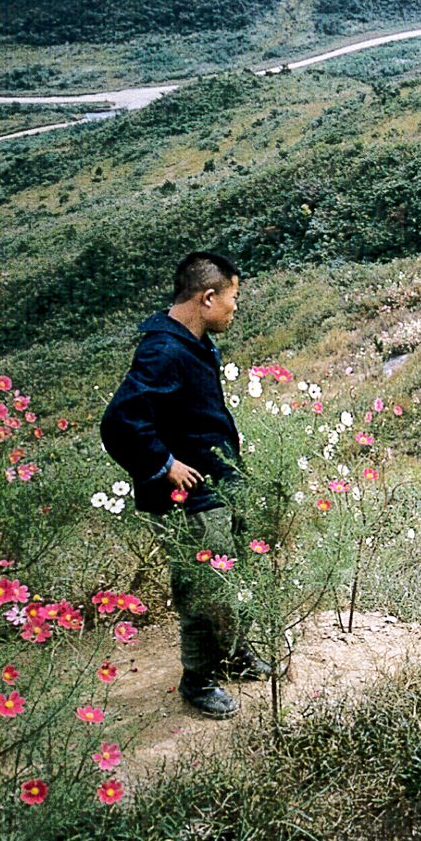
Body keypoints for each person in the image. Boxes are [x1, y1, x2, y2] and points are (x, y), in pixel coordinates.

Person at [100, 252, 273, 719]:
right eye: (233, 298)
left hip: (216, 485)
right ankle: (198, 679)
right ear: (208, 297)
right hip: (188, 498)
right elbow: (119, 422)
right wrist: (163, 463)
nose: (236, 308)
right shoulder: (163, 351)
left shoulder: (194, 342)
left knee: (230, 577)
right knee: (204, 588)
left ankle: (235, 653)